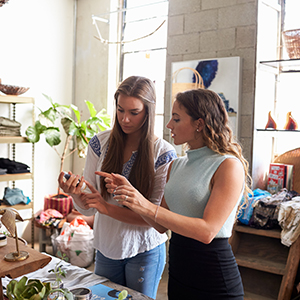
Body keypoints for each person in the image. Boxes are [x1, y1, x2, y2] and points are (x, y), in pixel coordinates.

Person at [101, 88, 252, 299]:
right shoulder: (176, 166)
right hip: (179, 274)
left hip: (213, 277)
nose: (169, 125)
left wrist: (145, 205)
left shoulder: (228, 165)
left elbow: (207, 231)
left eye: (176, 119)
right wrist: (131, 196)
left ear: (199, 123)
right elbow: (160, 225)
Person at [58, 75, 177, 299]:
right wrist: (74, 194)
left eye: (134, 112)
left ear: (148, 112)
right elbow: (89, 208)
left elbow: (155, 219)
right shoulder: (99, 143)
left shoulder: (164, 153)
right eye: (120, 110)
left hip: (144, 249)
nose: (125, 119)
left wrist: (105, 207)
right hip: (106, 247)